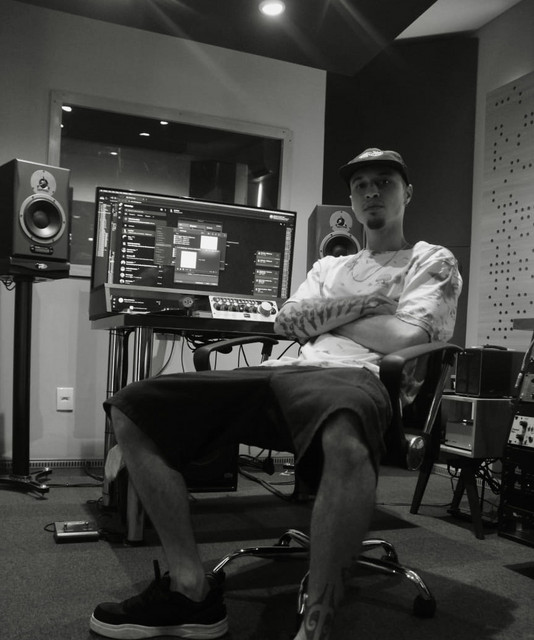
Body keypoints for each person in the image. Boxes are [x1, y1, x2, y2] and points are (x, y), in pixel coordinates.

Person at [90, 148, 462, 640]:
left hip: (362, 378)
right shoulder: (329, 266)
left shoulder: (431, 259)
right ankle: (190, 590)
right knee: (134, 406)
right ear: (351, 199)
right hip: (286, 372)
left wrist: (326, 317)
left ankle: (317, 622)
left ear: (407, 193)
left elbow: (406, 337)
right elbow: (286, 321)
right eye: (361, 184)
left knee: (344, 424)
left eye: (385, 181)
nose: (372, 191)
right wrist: (366, 305)